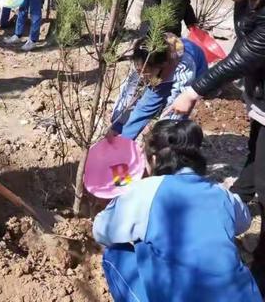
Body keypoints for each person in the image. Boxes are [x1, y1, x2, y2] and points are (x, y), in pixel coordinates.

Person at [168, 0, 265, 292]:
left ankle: (261, 268)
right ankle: (240, 196)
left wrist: (193, 91)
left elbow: (243, 57)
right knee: (256, 146)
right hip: (261, 92)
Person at [94, 120, 261, 302]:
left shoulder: (146, 191)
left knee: (115, 253)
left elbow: (101, 231)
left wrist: (123, 199)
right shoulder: (220, 192)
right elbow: (244, 222)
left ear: (155, 159)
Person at [110, 33, 207, 141]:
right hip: (160, 75)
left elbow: (176, 108)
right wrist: (117, 126)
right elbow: (129, 94)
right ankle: (124, 141)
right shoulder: (143, 60)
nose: (142, 75)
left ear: (163, 65)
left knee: (176, 120)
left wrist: (158, 139)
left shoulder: (184, 66)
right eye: (139, 71)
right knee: (144, 106)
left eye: (146, 73)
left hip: (194, 70)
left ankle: (171, 145)